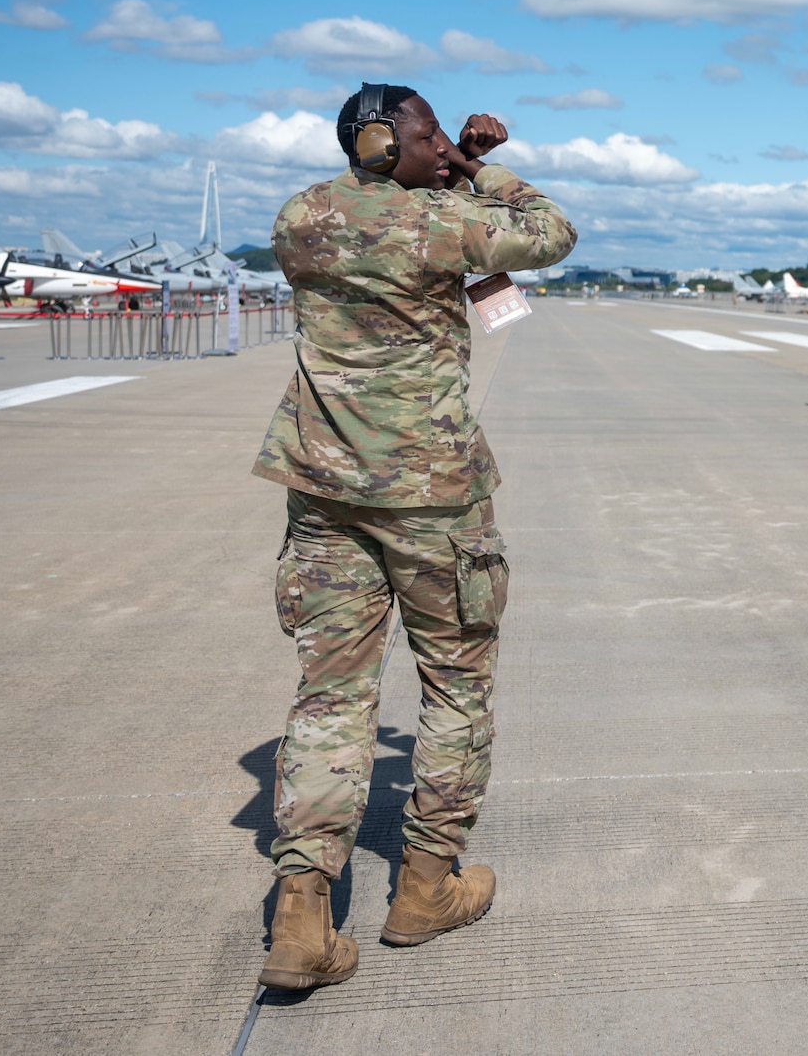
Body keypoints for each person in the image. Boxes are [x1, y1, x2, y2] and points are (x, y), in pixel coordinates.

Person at [250, 83, 576, 990]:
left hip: (325, 489)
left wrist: (439, 167)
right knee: (456, 686)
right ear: (385, 146)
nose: (442, 145)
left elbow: (381, 225)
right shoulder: (443, 221)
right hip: (433, 493)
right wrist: (476, 169)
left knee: (329, 698)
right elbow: (549, 231)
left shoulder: (299, 217)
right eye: (428, 134)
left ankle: (302, 915)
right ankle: (426, 887)